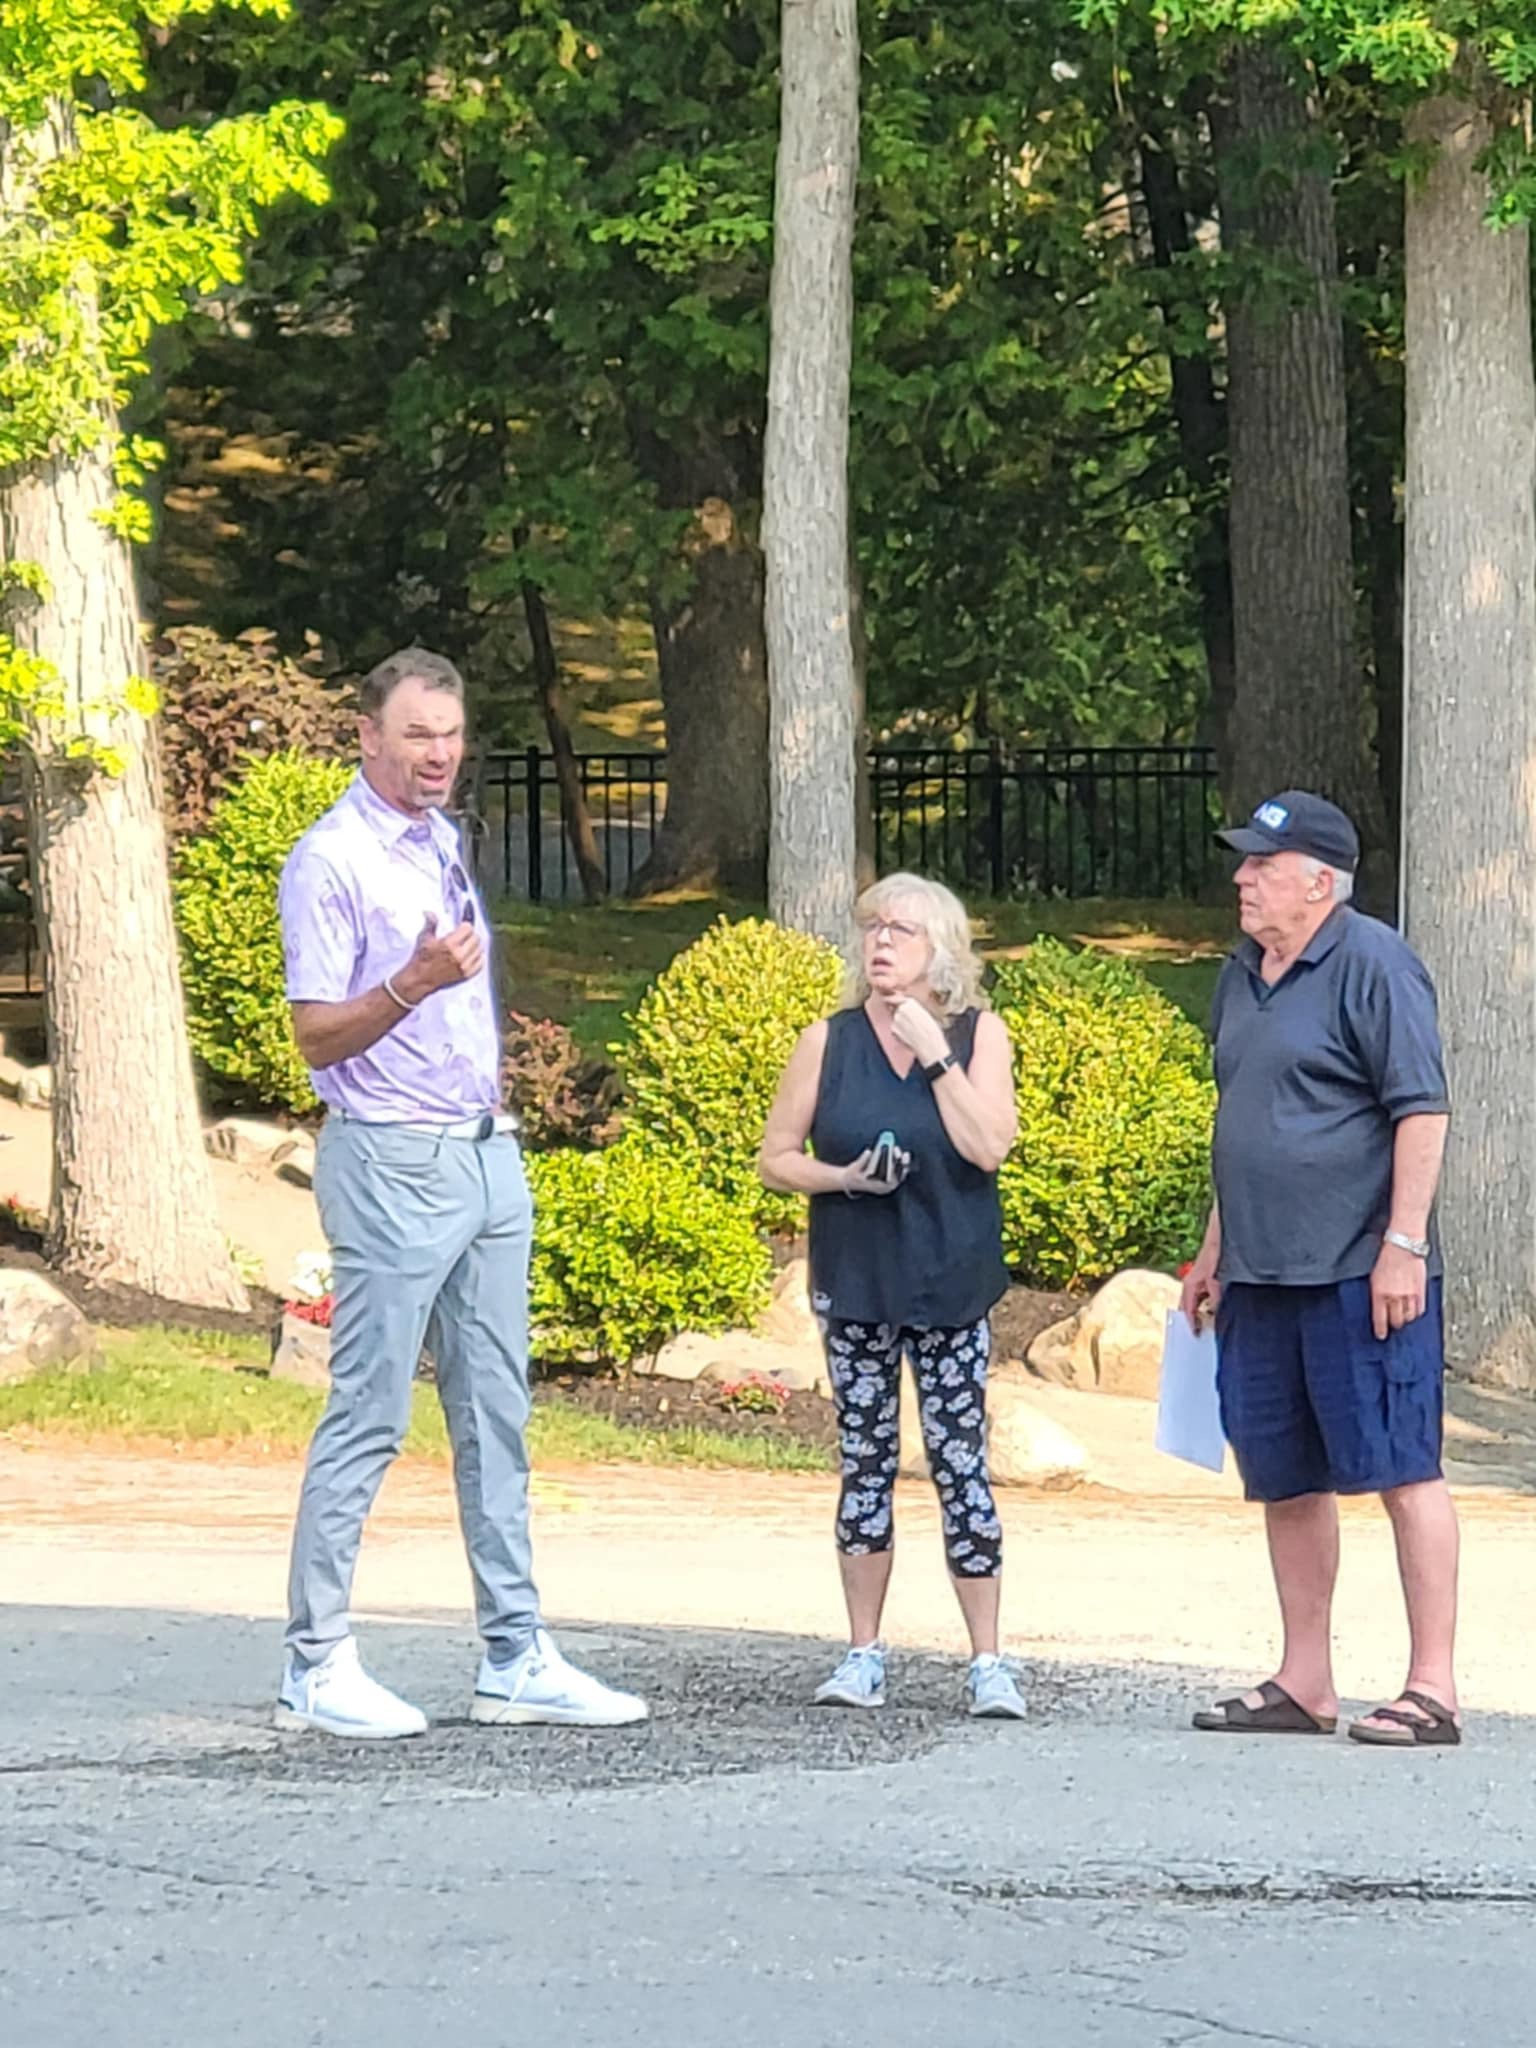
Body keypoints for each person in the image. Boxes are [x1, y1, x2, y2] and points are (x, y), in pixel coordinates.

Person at [274, 646, 646, 1739]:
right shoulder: (330, 860)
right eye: (417, 735)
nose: (439, 754)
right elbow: (314, 1035)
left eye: (450, 733)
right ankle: (314, 1664)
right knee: (370, 1411)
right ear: (367, 737)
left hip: (485, 1156)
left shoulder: (440, 837)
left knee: (496, 1412)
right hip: (392, 1159)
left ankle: (514, 1656)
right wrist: (413, 982)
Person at [1183, 790, 1460, 1748]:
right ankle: (1306, 1682)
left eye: (1262, 864)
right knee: (1285, 1475)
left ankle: (1432, 1687)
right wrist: (1215, 1249)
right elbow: (1243, 1118)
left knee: (1403, 1467)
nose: (1242, 878)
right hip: (1261, 1274)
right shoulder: (1240, 974)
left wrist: (1404, 1244)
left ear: (1319, 881)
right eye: (1245, 862)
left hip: (1359, 1270)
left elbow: (1420, 1109)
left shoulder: (1375, 963)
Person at [759, 873, 1026, 1719]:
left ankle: (987, 1662)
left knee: (960, 1463)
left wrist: (936, 1055)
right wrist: (843, 1177)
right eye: (872, 928)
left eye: (900, 931)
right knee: (865, 1462)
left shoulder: (979, 1035)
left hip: (950, 1281)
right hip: (859, 1281)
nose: (880, 942)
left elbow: (990, 1147)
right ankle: (863, 1652)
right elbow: (775, 1157)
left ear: (940, 948)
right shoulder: (828, 1040)